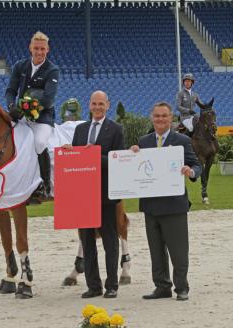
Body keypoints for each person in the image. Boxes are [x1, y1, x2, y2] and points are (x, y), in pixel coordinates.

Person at [130, 102, 201, 301]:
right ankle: (162, 286)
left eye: (164, 116)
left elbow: (196, 164)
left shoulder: (182, 140)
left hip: (174, 204)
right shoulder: (143, 142)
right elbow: (134, 169)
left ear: (171, 118)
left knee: (178, 250)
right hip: (151, 205)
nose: (160, 119)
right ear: (152, 118)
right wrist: (131, 155)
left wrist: (191, 171)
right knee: (156, 250)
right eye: (157, 116)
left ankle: (181, 287)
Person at [63, 90, 124, 299]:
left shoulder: (116, 129)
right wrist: (69, 152)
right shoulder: (80, 129)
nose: (97, 107)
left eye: (101, 104)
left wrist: (95, 154)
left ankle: (112, 285)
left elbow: (118, 160)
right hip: (83, 195)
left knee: (110, 242)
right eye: (94, 103)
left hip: (106, 194)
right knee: (87, 242)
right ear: (89, 105)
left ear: (107, 105)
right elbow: (77, 160)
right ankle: (93, 285)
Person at [5, 31, 59, 200]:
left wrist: (31, 111)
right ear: (30, 48)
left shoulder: (52, 70)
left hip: (43, 117)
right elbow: (11, 91)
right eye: (36, 48)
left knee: (39, 142)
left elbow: (48, 99)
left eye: (42, 48)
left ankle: (45, 186)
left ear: (47, 49)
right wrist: (11, 106)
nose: (39, 52)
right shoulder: (20, 66)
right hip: (20, 114)